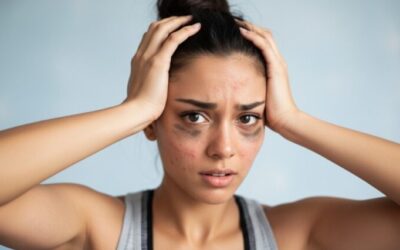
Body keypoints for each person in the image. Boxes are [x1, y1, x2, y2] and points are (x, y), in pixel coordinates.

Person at [0, 0, 399, 249]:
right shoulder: (97, 229)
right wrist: (132, 111)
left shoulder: (297, 235)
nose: (223, 148)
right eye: (195, 116)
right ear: (154, 120)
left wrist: (296, 121)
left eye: (247, 118)